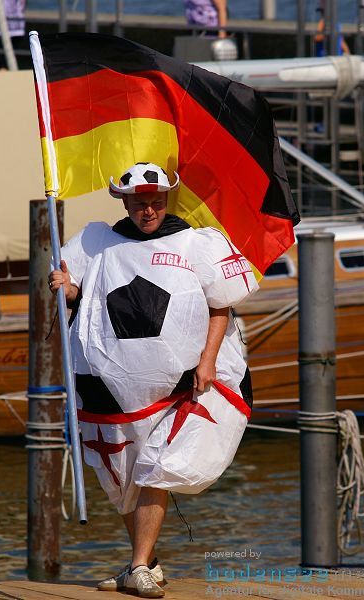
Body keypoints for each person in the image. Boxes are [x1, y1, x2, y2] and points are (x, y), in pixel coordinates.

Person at [48, 163, 256, 598]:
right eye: (140, 203)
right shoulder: (96, 242)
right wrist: (65, 284)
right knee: (124, 481)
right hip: (110, 389)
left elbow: (222, 306)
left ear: (167, 201)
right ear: (124, 202)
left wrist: (208, 360)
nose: (148, 211)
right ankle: (147, 563)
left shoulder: (195, 243)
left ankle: (139, 566)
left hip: (182, 389)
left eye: (156, 203)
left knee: (157, 470)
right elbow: (74, 293)